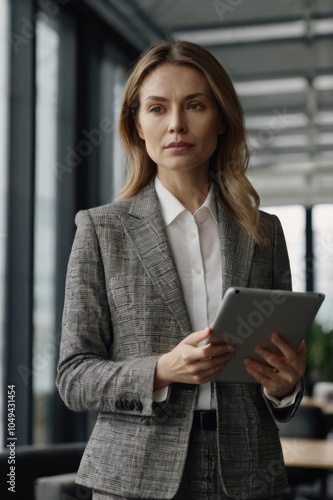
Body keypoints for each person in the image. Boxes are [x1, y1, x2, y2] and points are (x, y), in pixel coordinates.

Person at [56, 40, 306, 500]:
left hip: (248, 475)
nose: (176, 125)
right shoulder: (101, 230)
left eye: (195, 105)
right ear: (137, 125)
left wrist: (285, 388)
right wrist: (163, 370)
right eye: (157, 108)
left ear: (222, 119)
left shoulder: (263, 232)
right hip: (133, 477)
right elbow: (74, 378)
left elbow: (280, 384)